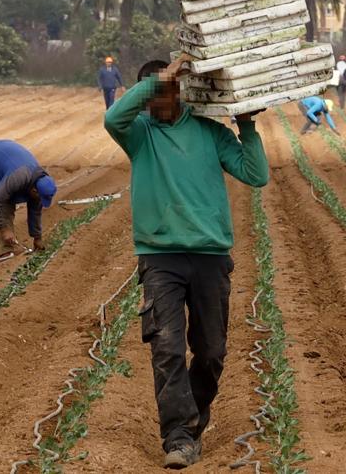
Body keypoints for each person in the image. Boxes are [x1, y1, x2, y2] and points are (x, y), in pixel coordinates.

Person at [104, 54, 269, 469]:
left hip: (211, 256)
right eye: (151, 95)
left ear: (181, 93)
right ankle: (177, 435)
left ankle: (191, 421)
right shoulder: (139, 134)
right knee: (167, 349)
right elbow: (112, 119)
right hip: (160, 259)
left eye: (165, 93)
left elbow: (256, 174)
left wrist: (246, 125)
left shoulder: (209, 133)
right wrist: (160, 79)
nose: (156, 103)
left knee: (211, 352)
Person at [0, 140, 57, 262]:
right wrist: (5, 229)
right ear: (34, 191)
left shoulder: (39, 183)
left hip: (4, 167)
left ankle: (4, 252)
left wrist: (37, 238)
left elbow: (35, 212)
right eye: (39, 198)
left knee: (7, 209)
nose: (39, 201)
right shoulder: (19, 177)